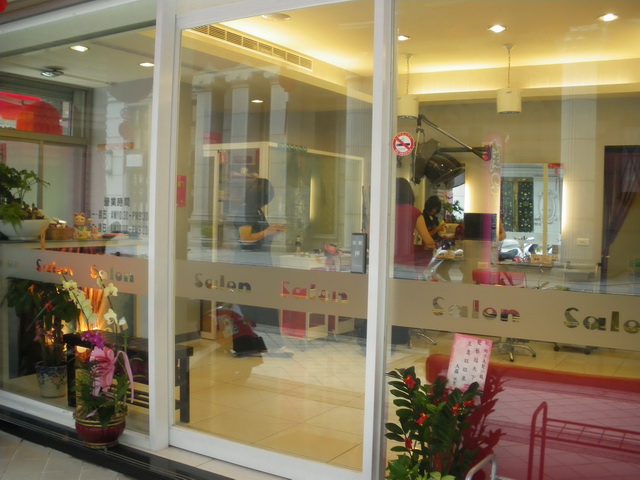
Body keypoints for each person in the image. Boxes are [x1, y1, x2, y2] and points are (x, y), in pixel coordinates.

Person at [230, 177, 285, 266]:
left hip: (259, 258)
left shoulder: (257, 211)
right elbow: (246, 239)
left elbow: (260, 235)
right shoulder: (246, 210)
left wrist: (274, 231)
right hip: (249, 260)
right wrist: (267, 232)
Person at [394, 178, 436, 278]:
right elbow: (429, 242)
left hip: (383, 264)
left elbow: (368, 235)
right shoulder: (414, 212)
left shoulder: (383, 211)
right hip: (405, 266)